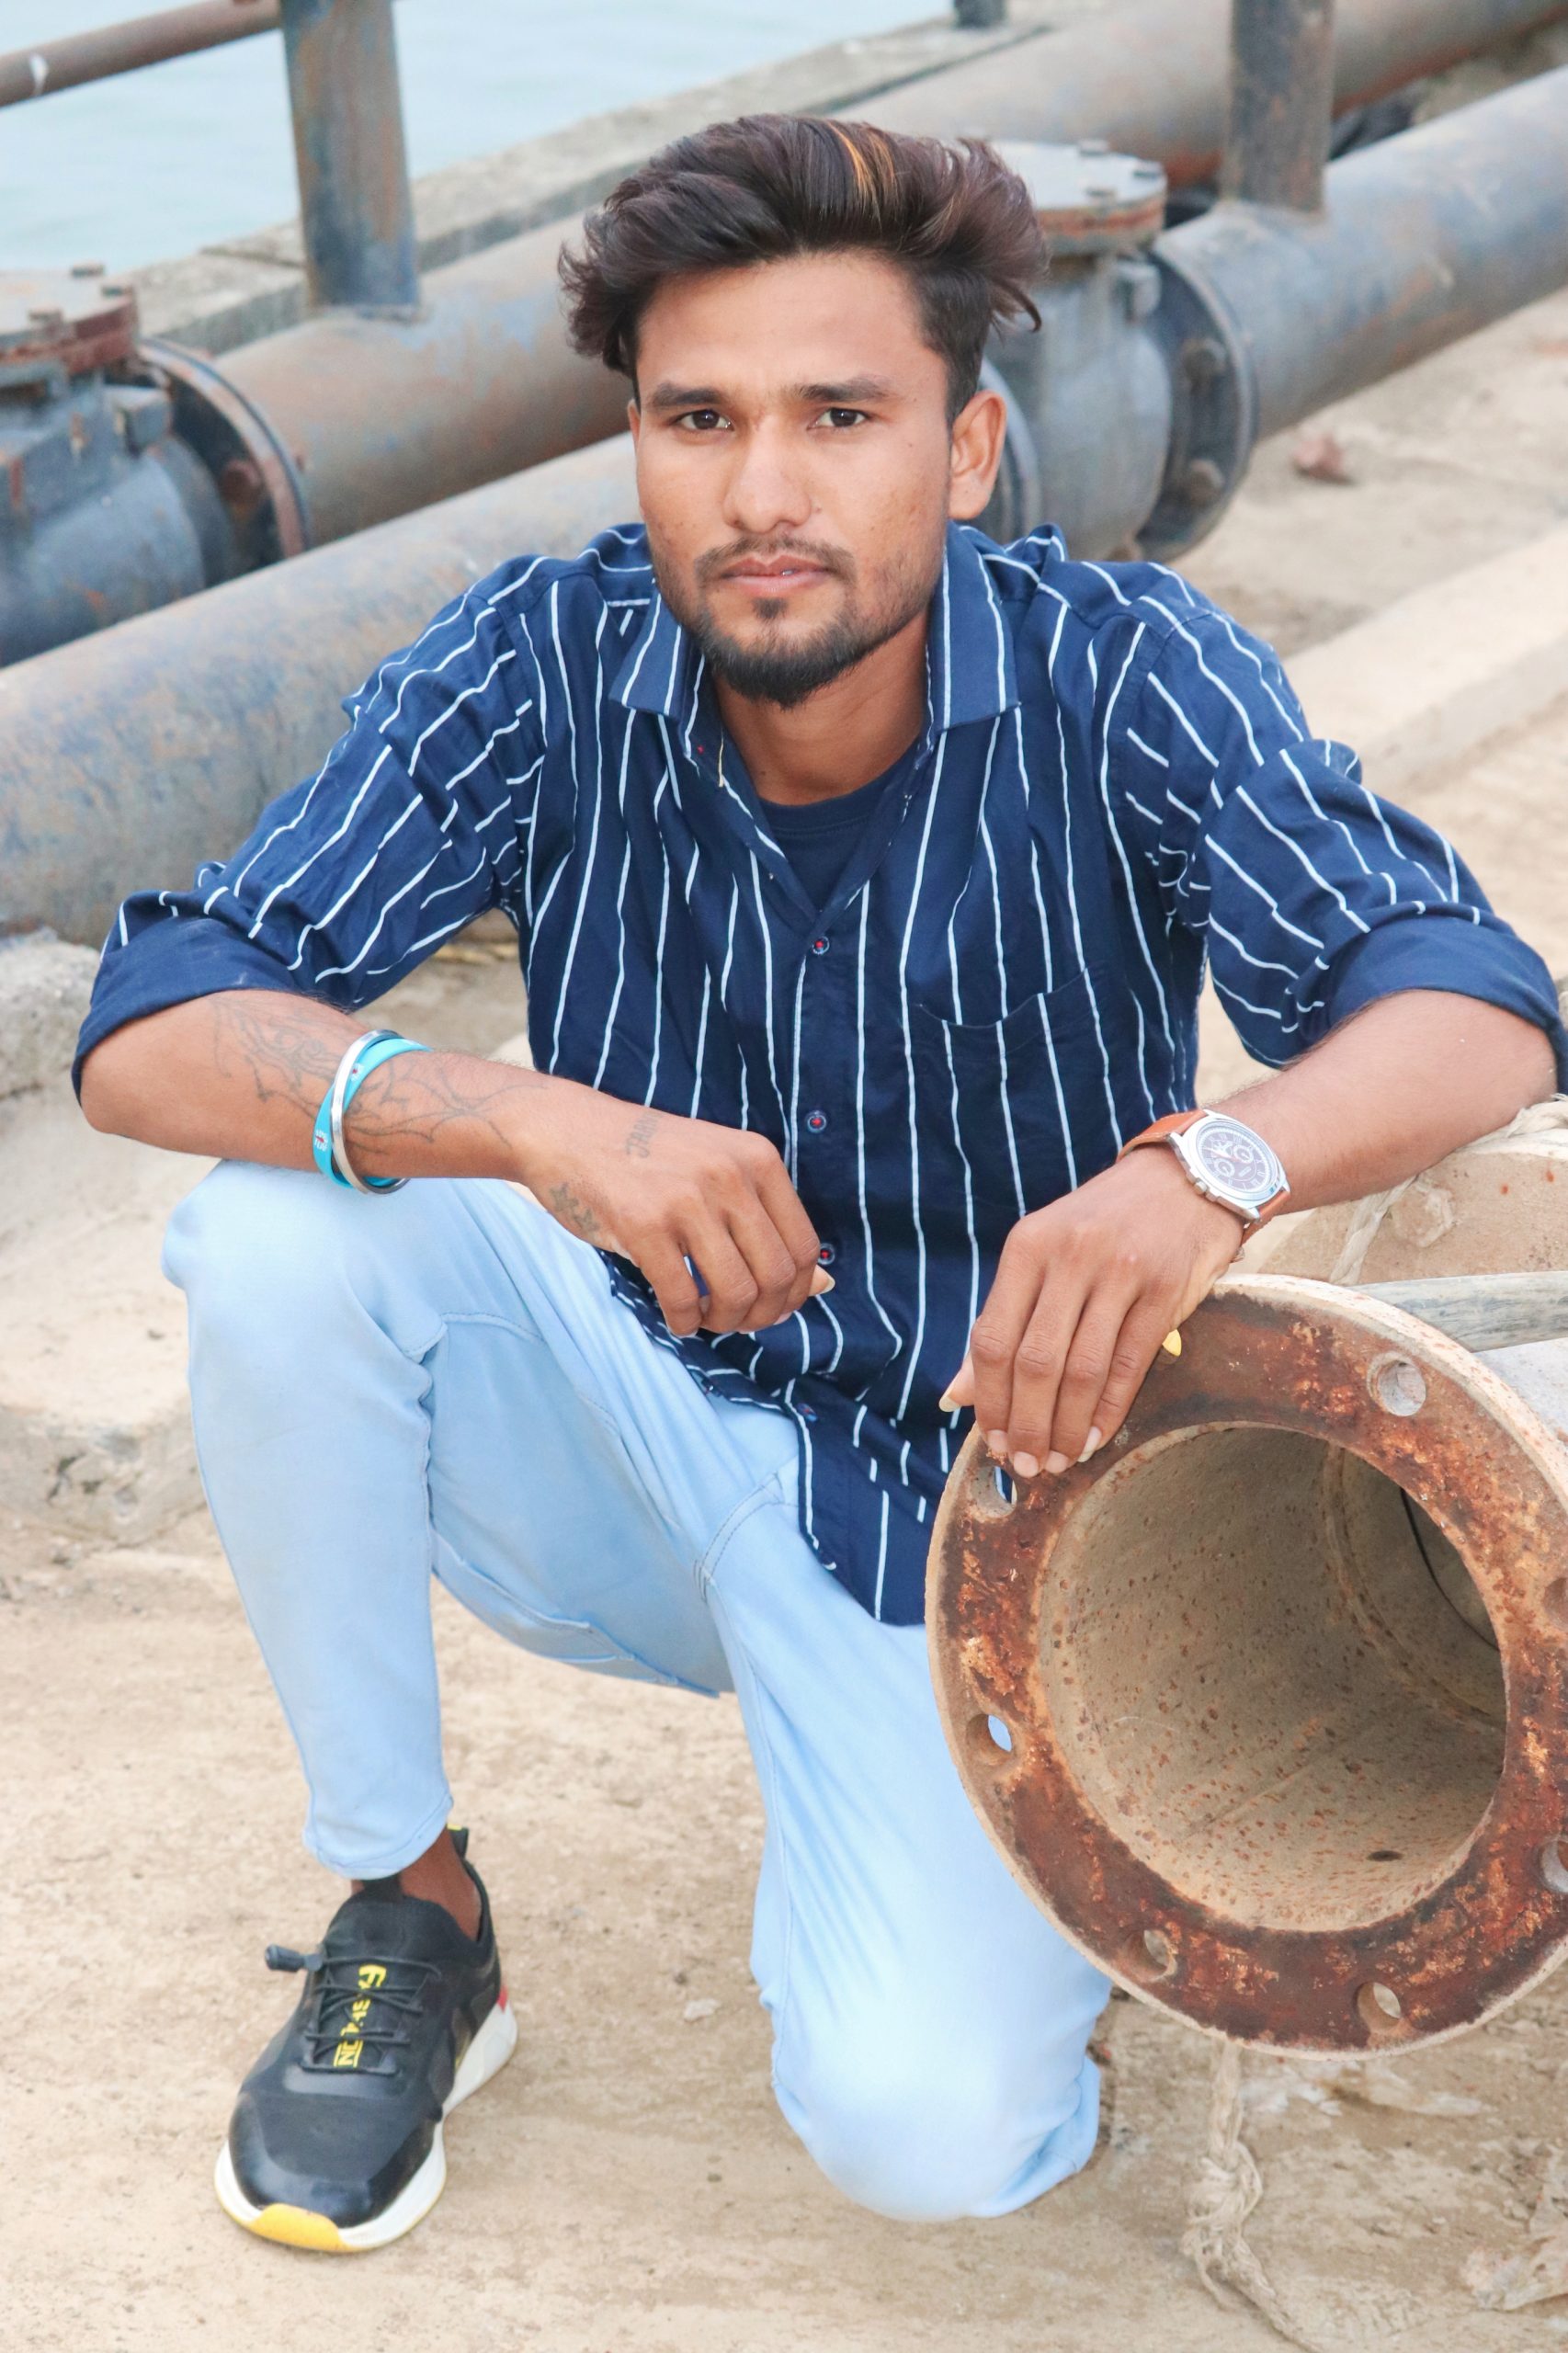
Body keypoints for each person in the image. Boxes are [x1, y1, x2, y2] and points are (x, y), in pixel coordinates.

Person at [77, 114, 1563, 2253]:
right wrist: (531, 1120)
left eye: (837, 415)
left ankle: (980, 1853)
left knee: (924, 2135)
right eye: (699, 419)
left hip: (991, 1493)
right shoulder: (547, 658)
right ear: (639, 444)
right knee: (283, 1228)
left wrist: (1205, 1166)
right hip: (630, 1417)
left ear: (961, 453)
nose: (762, 489)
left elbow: (1472, 998)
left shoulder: (1119, 670)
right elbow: (156, 1012)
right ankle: (411, 1905)